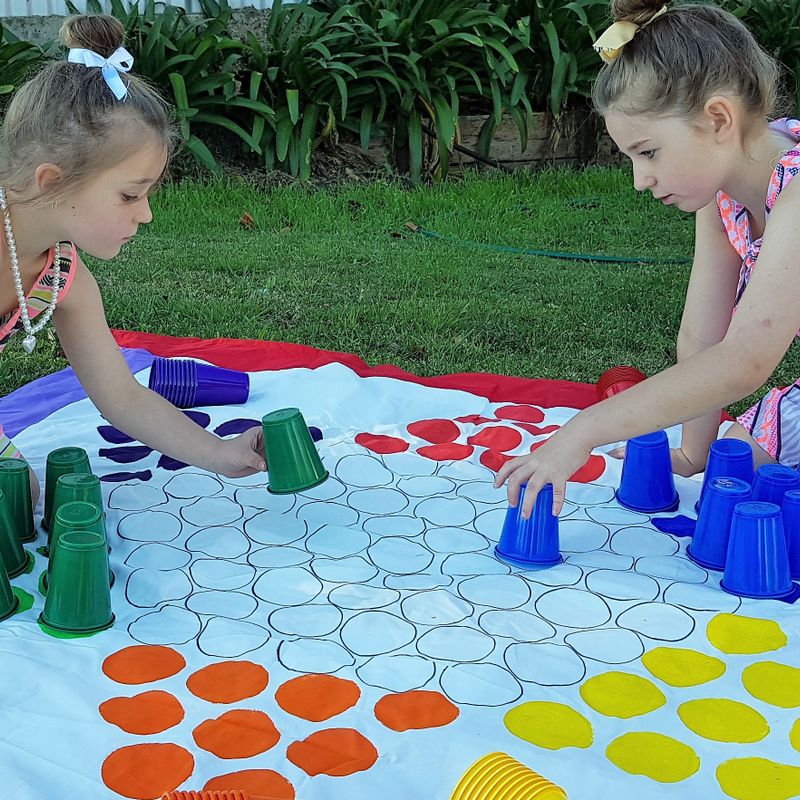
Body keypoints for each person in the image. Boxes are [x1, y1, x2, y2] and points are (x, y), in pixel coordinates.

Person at [496, 0, 800, 517]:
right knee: (735, 479)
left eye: (649, 152)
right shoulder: (724, 192)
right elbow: (704, 337)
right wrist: (692, 452)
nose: (641, 180)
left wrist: (585, 430)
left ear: (718, 118)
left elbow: (744, 359)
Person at [0, 14, 266, 504]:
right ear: (53, 182)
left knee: (20, 496)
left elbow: (122, 397)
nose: (145, 214)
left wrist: (223, 453)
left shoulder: (61, 281)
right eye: (129, 195)